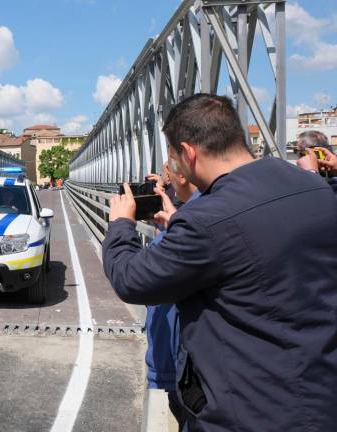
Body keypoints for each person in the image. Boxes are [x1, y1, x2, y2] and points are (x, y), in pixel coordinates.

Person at [103, 94, 337, 431]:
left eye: (175, 158)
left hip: (248, 410)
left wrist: (121, 225)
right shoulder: (312, 187)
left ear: (189, 152)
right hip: (318, 397)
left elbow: (131, 280)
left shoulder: (207, 218)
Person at [145, 159, 200, 431]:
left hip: (185, 361)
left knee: (185, 411)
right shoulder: (191, 216)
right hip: (181, 356)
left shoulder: (195, 225)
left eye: (169, 176)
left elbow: (137, 279)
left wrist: (119, 227)